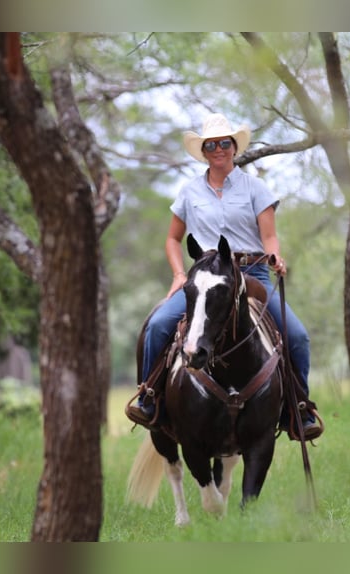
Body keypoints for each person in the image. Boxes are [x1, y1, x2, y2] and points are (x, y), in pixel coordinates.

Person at [125, 112, 321, 440]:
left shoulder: (256, 188)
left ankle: (298, 409)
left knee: (297, 337)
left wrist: (275, 257)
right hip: (206, 275)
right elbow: (173, 239)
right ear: (203, 151)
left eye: (224, 143)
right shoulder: (189, 192)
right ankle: (150, 398)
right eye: (211, 144)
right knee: (159, 325)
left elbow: (269, 236)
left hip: (251, 272)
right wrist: (177, 274)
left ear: (234, 147)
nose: (219, 149)